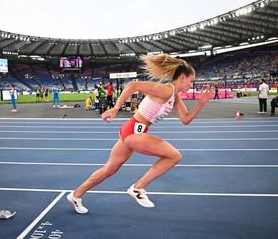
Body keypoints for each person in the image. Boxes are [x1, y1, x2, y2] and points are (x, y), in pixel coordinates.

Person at [67, 54, 214, 214]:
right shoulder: (166, 90)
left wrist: (200, 103)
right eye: (191, 81)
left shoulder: (175, 96)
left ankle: (76, 195)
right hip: (134, 132)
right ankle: (138, 188)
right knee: (174, 156)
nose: (191, 85)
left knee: (109, 169)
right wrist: (115, 108)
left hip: (132, 130)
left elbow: (185, 119)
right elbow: (133, 85)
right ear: (182, 78)